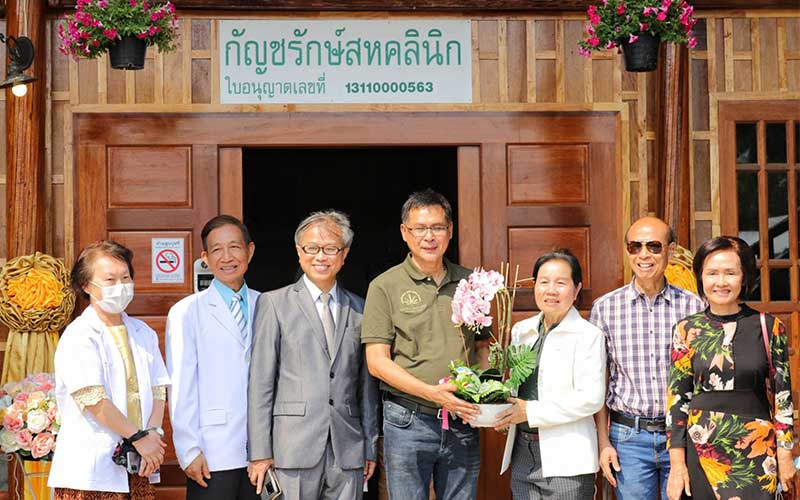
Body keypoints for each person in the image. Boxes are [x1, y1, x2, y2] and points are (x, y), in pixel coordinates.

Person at [362, 189, 490, 500]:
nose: (429, 236)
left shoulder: (471, 283)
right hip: (408, 420)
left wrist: (485, 394)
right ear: (405, 232)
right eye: (419, 228)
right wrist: (431, 393)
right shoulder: (384, 286)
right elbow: (377, 362)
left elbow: (483, 347)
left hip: (462, 418)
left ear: (450, 230)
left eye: (437, 227)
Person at [248, 210, 379, 500]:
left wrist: (370, 447)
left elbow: (366, 387)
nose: (321, 256)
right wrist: (259, 453)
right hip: (292, 447)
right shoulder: (274, 303)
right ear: (299, 252)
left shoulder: (360, 308)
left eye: (330, 249)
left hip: (348, 448)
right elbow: (260, 384)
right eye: (312, 248)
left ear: (344, 254)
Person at [666, 236, 795, 500]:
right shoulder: (686, 330)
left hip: (756, 450)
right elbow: (677, 401)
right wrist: (677, 465)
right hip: (701, 447)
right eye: (712, 273)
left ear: (744, 277)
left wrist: (784, 454)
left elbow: (783, 398)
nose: (721, 282)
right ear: (701, 277)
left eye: (730, 273)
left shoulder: (769, 327)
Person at [590, 217, 705, 500]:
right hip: (628, 438)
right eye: (635, 246)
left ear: (670, 250)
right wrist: (603, 442)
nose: (644, 255)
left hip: (681, 437)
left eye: (654, 246)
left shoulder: (694, 306)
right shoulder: (605, 308)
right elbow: (597, 380)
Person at [49, 241, 169, 499]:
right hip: (92, 470)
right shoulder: (80, 335)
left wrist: (153, 435)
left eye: (125, 278)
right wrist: (138, 437)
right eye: (110, 280)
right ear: (86, 285)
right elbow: (94, 400)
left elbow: (158, 390)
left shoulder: (143, 332)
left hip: (139, 464)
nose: (120, 286)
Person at [495, 249, 606, 499]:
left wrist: (529, 411)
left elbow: (591, 398)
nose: (551, 290)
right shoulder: (522, 330)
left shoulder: (588, 336)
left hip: (567, 457)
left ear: (576, 290)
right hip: (522, 451)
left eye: (561, 283)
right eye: (544, 282)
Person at [166, 215, 260, 500]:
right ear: (205, 258)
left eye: (235, 247)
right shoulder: (186, 311)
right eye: (217, 250)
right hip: (212, 451)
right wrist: (189, 449)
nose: (227, 257)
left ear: (250, 251)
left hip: (261, 453)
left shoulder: (267, 304)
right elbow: (181, 386)